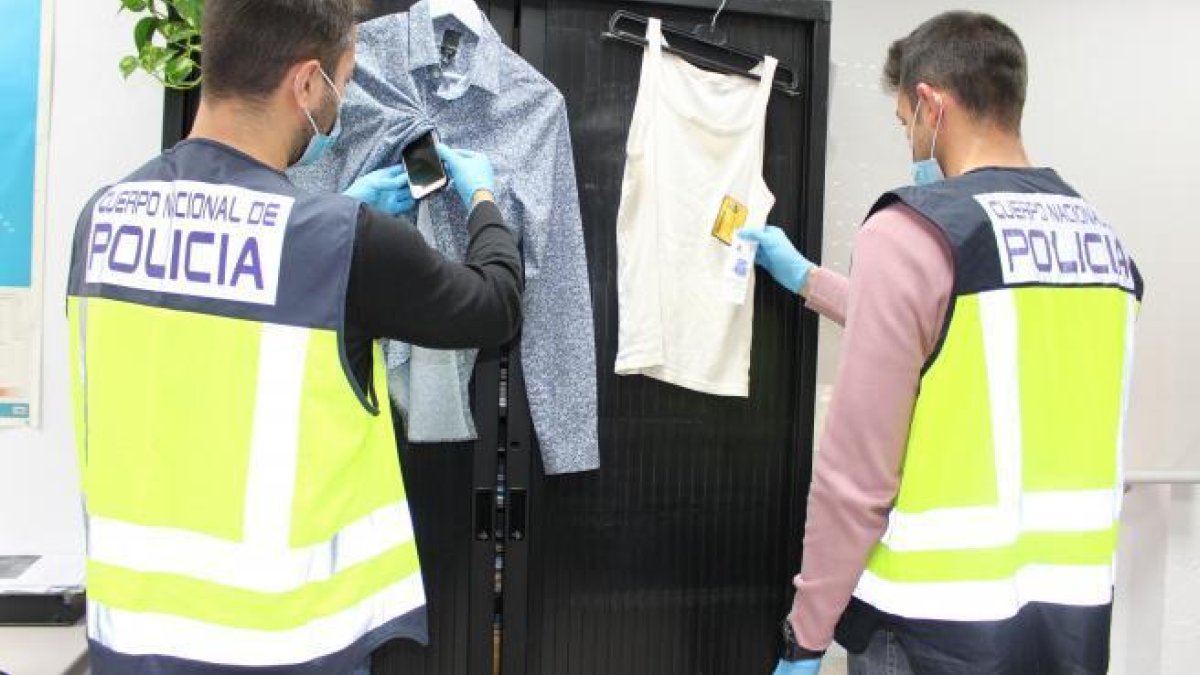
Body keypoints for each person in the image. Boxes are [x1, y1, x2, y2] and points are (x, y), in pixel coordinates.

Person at [65, 1, 523, 673]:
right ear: (307, 84)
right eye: (341, 81)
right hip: (283, 646)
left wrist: (346, 214)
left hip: (131, 641)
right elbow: (494, 304)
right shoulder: (342, 243)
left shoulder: (99, 220)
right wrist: (483, 200)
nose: (337, 106)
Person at [743, 11, 1144, 675]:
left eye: (905, 124)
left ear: (930, 103)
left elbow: (854, 480)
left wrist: (805, 636)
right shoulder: (1102, 243)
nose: (910, 143)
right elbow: (966, 336)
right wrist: (810, 280)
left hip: (928, 627)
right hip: (1066, 623)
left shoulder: (912, 231)